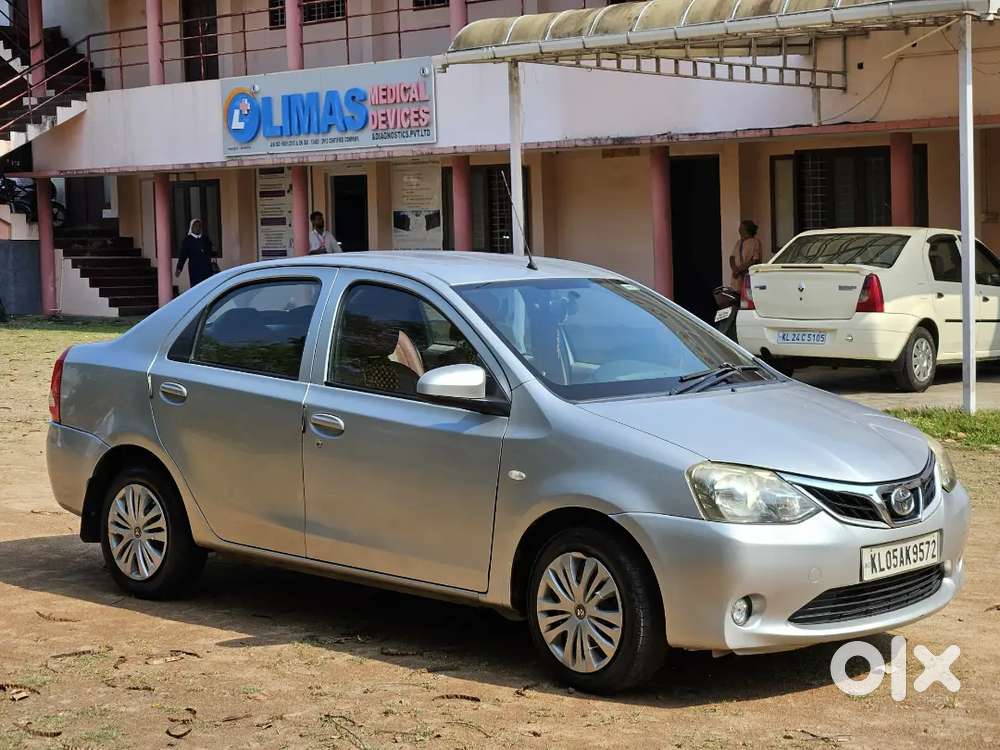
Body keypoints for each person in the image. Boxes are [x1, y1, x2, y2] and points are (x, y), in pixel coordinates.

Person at [175, 219, 216, 287]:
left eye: (199, 226)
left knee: (207, 286)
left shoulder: (205, 238)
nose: (198, 228)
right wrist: (179, 268)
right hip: (195, 268)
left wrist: (213, 256)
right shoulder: (187, 240)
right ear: (191, 227)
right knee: (196, 286)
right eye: (196, 226)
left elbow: (211, 251)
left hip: (207, 268)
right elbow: (183, 255)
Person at [729, 219, 763, 287]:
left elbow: (755, 260)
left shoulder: (755, 242)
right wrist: (734, 269)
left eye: (741, 228)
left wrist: (740, 270)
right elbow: (732, 257)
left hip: (747, 275)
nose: (739, 230)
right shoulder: (739, 242)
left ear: (747, 230)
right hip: (737, 276)